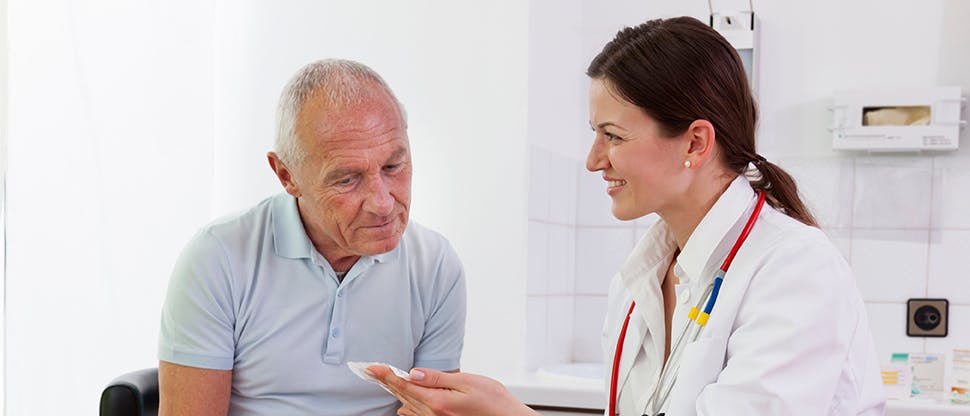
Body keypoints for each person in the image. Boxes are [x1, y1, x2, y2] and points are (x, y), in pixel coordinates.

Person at [369, 17, 885, 416]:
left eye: (612, 135)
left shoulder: (795, 271)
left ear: (695, 142)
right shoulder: (639, 280)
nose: (594, 159)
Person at [157, 59, 467, 415]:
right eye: (346, 179)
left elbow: (433, 409)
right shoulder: (217, 258)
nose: (382, 204)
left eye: (393, 166)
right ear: (286, 175)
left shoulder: (437, 265)